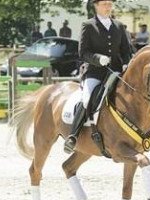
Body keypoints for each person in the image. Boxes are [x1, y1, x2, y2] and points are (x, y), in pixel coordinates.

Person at [64, 0, 131, 154]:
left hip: (115, 72)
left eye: (109, 3)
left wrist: (126, 63)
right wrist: (97, 59)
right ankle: (73, 136)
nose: (108, 6)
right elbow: (83, 53)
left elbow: (126, 50)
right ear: (96, 5)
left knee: (134, 95)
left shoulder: (119, 26)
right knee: (87, 99)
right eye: (104, 4)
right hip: (95, 72)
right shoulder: (88, 25)